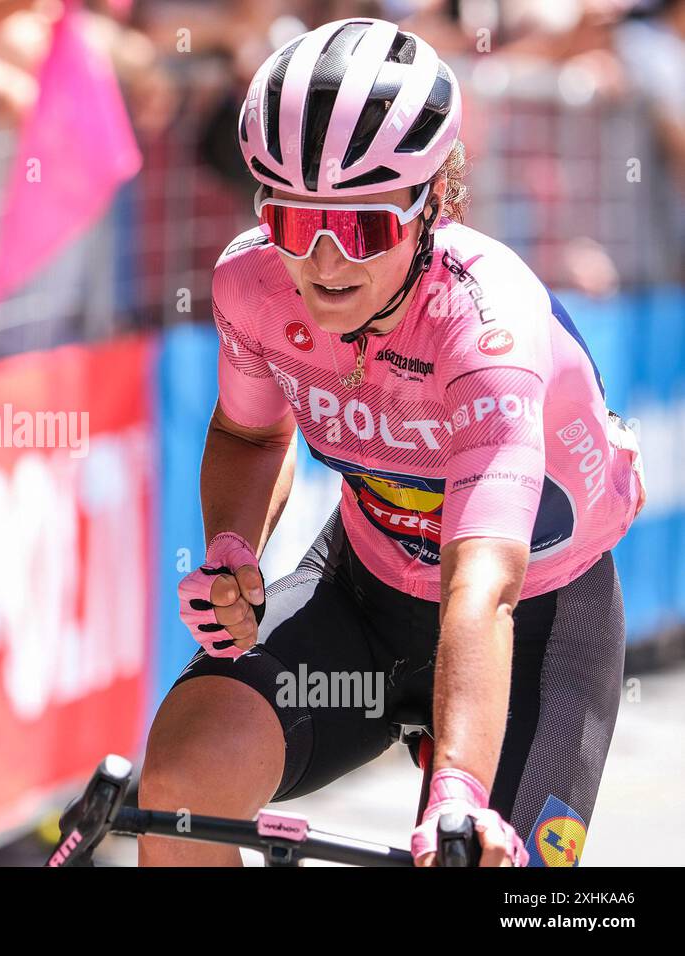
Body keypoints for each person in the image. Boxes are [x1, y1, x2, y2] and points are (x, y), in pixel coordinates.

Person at [140, 16, 646, 867]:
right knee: (183, 783)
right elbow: (246, 432)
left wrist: (458, 788)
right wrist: (234, 547)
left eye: (366, 226)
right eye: (296, 222)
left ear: (434, 207)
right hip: (364, 589)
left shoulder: (489, 332)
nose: (327, 260)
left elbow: (480, 590)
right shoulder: (252, 283)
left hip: (532, 621)